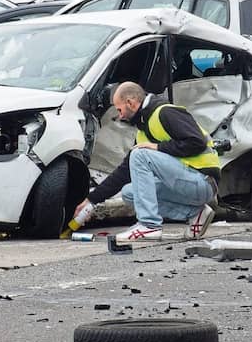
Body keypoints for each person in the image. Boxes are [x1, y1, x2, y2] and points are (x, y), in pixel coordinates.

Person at [73, 82, 218, 242]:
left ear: (131, 103)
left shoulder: (166, 112)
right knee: (130, 193)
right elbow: (123, 173)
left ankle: (149, 225)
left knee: (140, 154)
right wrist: (91, 200)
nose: (119, 115)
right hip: (186, 184)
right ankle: (195, 213)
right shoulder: (143, 129)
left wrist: (157, 147)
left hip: (203, 181)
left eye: (119, 109)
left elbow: (197, 142)